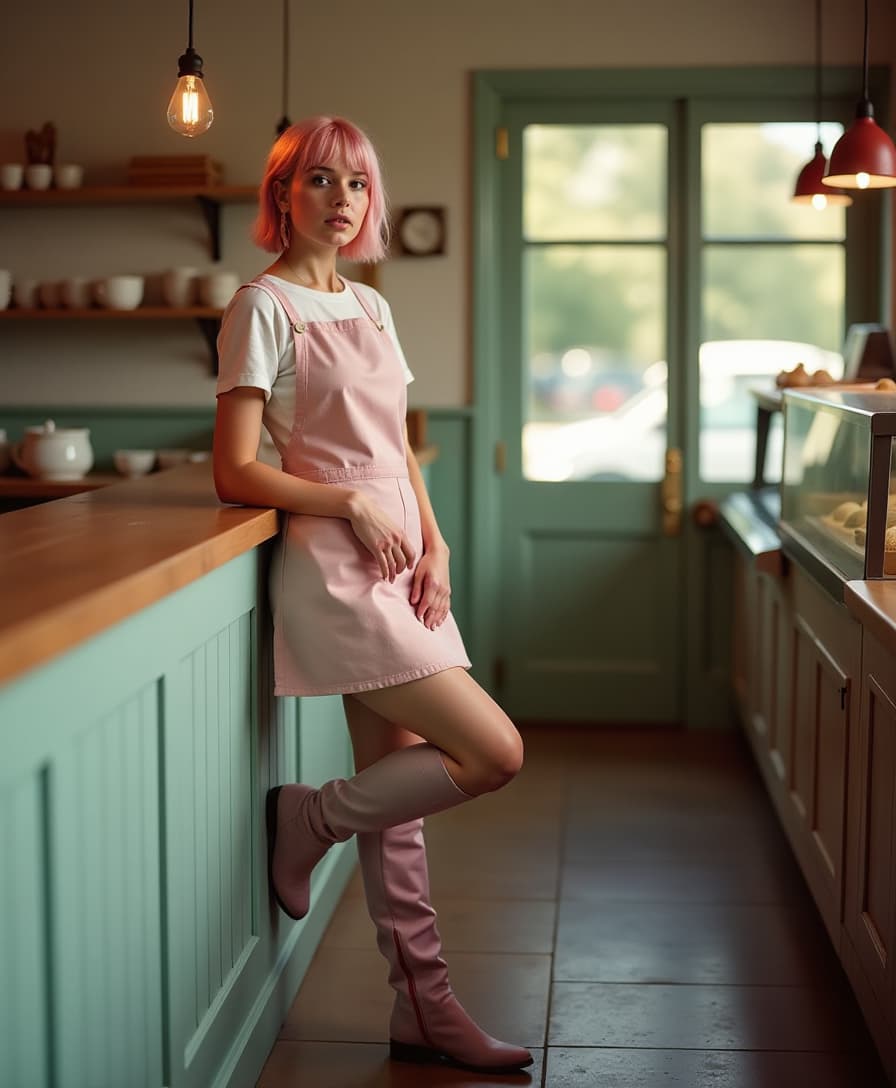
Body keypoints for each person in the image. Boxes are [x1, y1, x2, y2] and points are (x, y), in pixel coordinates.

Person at [212, 116, 531, 1075]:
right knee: (494, 752)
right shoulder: (259, 307)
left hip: (403, 567)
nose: (340, 200)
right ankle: (307, 820)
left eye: (355, 184)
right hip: (335, 573)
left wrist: (435, 543)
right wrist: (345, 499)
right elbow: (234, 471)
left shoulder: (373, 306)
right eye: (319, 180)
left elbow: (398, 449)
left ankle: (422, 1010)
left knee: (405, 811)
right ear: (283, 196)